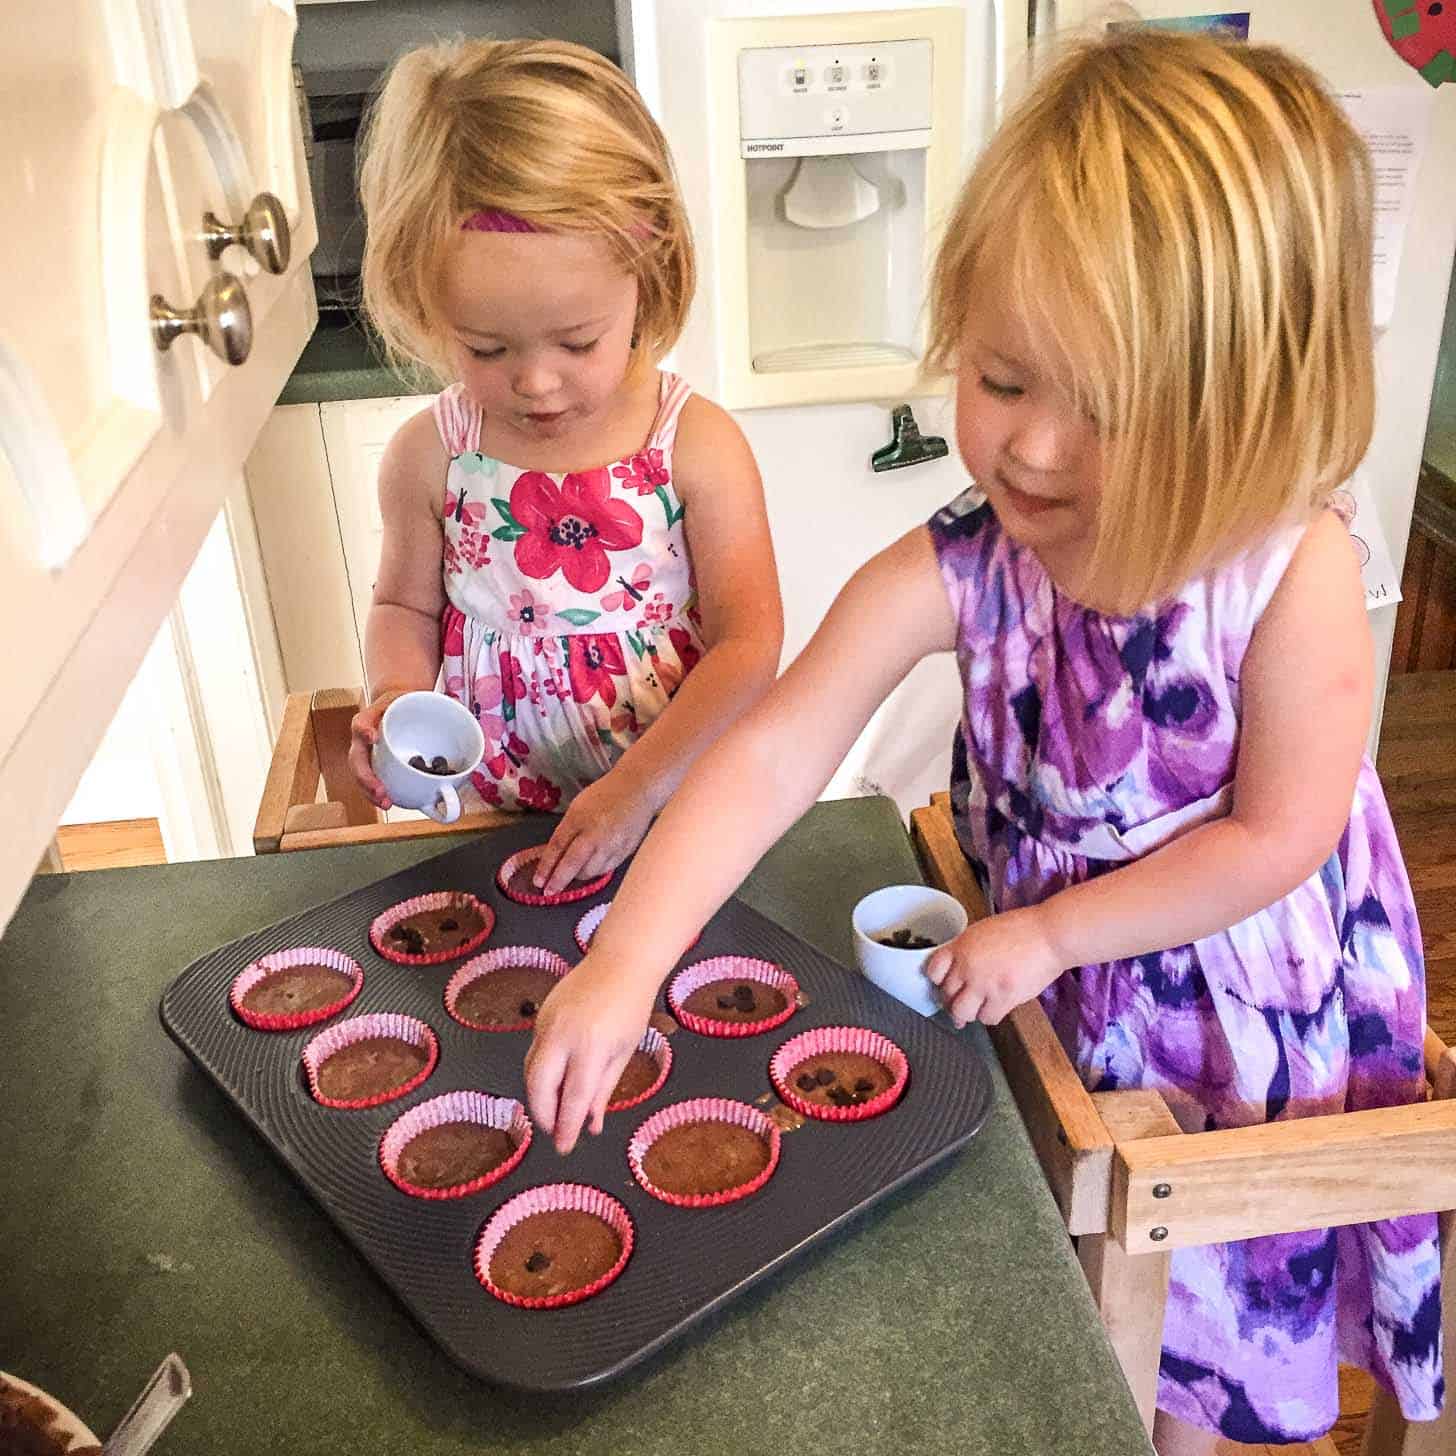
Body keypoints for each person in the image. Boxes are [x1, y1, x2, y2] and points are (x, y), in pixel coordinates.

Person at [523, 28, 1442, 1454]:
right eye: (1005, 380)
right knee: (1057, 1299)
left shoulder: (1291, 570)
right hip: (1052, 983)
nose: (1033, 450)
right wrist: (626, 962)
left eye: (1111, 411)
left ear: (1246, 410)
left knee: (1191, 1353)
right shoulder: (971, 560)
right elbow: (774, 749)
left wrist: (1063, 932)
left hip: (1232, 1024)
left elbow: (1277, 843)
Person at [347, 37, 782, 892]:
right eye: (487, 346)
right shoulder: (431, 455)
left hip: (672, 810)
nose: (537, 382)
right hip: (493, 818)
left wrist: (635, 788)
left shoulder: (694, 445)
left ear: (648, 276)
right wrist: (399, 698)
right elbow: (403, 603)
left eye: (577, 341)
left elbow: (750, 643)